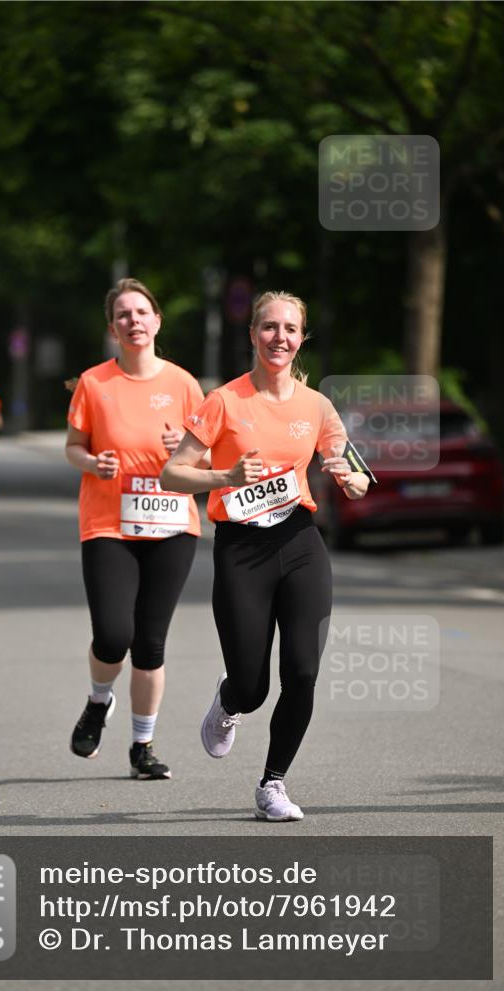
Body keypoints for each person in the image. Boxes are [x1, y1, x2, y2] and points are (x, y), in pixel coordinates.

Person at [161, 291, 370, 820]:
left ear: (302, 339)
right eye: (270, 328)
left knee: (302, 670)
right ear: (253, 335)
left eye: (291, 329)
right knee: (253, 686)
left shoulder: (316, 405)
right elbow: (172, 473)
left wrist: (351, 481)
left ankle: (272, 785)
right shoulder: (223, 401)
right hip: (241, 547)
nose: (281, 337)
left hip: (300, 542)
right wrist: (225, 477)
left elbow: (358, 473)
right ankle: (229, 701)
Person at [65, 277, 204, 779]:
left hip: (171, 523)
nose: (134, 321)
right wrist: (91, 462)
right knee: (112, 634)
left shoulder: (185, 384)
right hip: (108, 522)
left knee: (149, 643)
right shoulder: (94, 383)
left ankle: (142, 749)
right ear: (112, 328)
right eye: (123, 315)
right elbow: (73, 445)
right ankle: (98, 702)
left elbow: (208, 454)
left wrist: (182, 449)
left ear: (157, 320)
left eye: (142, 312)